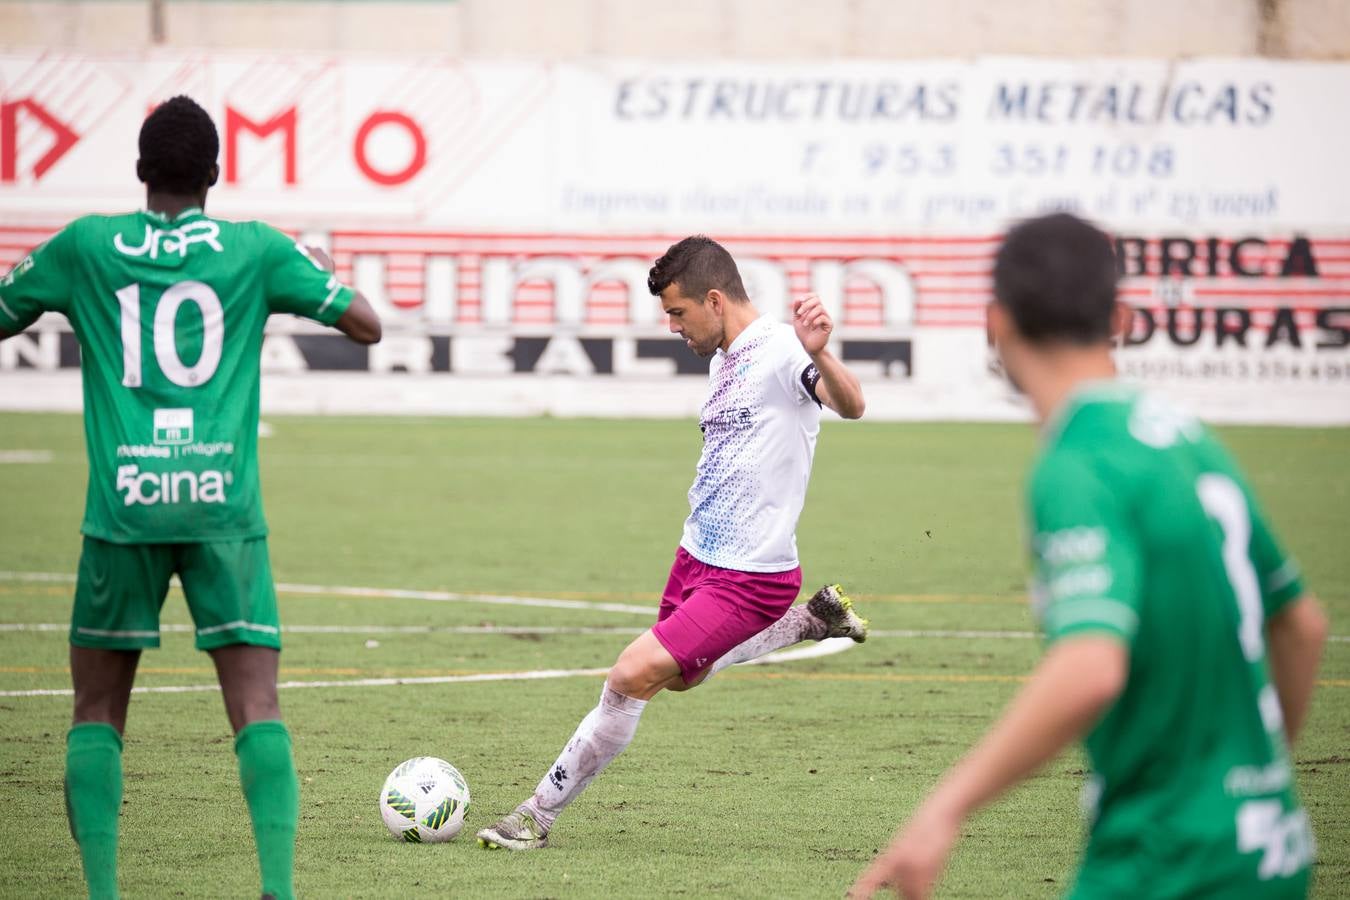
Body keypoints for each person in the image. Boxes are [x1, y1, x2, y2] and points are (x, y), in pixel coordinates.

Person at [849, 213, 1328, 899]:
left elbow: (1090, 667)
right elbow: (1301, 626)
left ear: (996, 323)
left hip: (1165, 862)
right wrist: (1248, 781)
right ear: (1123, 320)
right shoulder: (1186, 436)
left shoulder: (1078, 463)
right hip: (1269, 848)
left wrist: (943, 809)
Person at [0, 96, 381, 900]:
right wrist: (309, 268)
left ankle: (102, 891)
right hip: (222, 510)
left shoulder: (87, 246)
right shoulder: (253, 250)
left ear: (141, 172)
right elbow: (365, 324)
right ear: (215, 173)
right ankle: (277, 891)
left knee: (96, 710)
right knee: (255, 704)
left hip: (122, 507)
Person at [476, 234, 869, 850]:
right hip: (697, 556)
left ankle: (535, 816)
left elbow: (850, 405)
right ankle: (812, 621)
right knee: (682, 677)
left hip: (751, 576)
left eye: (678, 312)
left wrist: (824, 355)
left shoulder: (781, 352)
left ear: (715, 300)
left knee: (630, 675)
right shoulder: (724, 359)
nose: (672, 326)